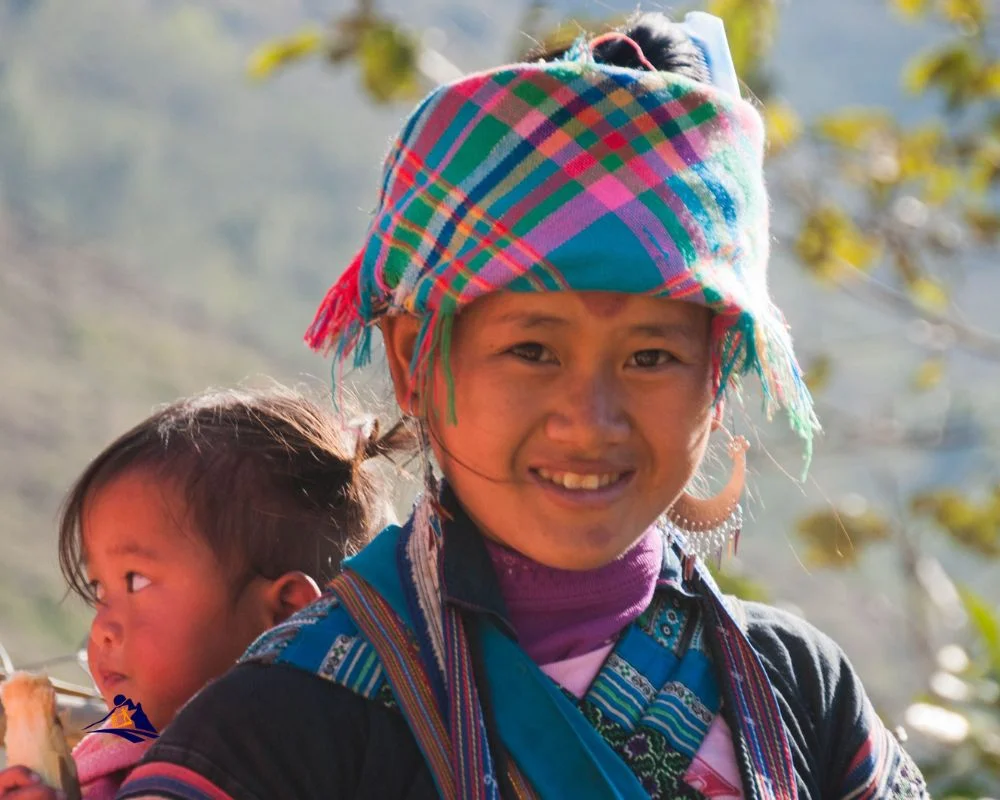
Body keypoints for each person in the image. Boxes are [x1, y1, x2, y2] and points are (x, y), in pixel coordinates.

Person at [114, 12, 928, 800]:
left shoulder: (800, 693)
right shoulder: (285, 730)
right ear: (414, 361)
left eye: (652, 357)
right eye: (532, 351)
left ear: (715, 379)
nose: (591, 419)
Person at [0, 387, 408, 800]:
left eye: (135, 581)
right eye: (99, 589)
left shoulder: (264, 762)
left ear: (286, 617)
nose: (102, 627)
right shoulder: (129, 733)